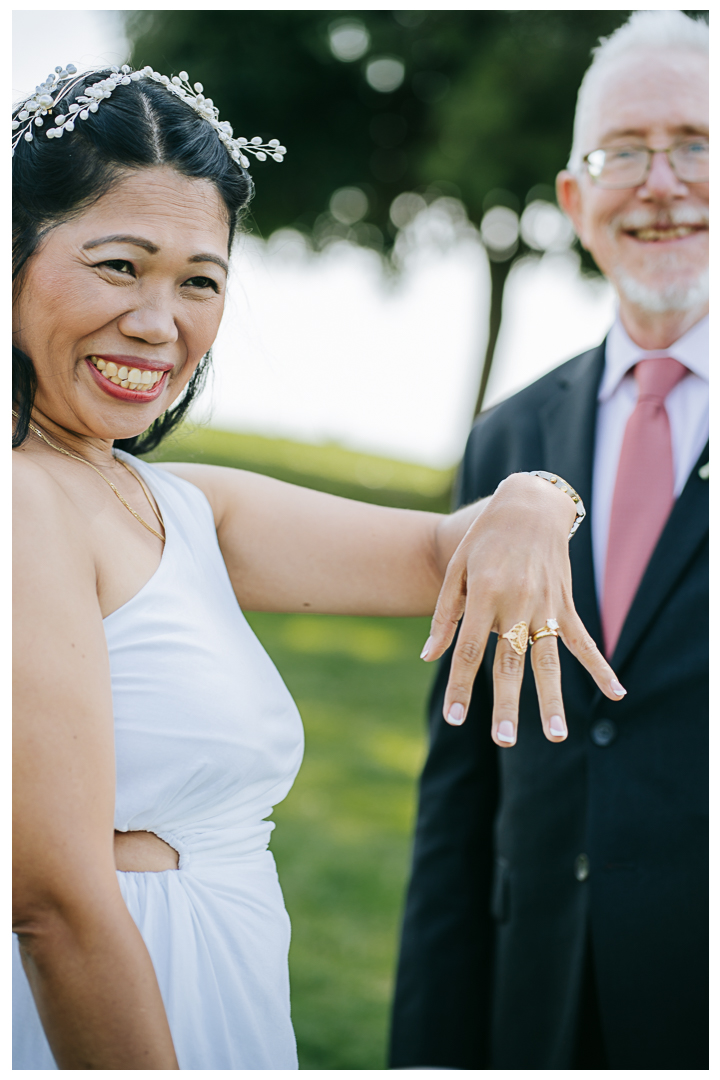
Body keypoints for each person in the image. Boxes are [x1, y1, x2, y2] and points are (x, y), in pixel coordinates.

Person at [11, 64, 623, 1070]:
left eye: (199, 281)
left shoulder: (184, 505)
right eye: (120, 265)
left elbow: (438, 552)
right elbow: (55, 907)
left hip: (226, 989)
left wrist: (537, 498)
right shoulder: (23, 501)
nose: (162, 324)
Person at [390, 10, 708, 1072]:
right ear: (577, 200)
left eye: (697, 143)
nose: (659, 183)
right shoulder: (508, 437)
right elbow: (461, 784)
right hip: (534, 1002)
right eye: (623, 153)